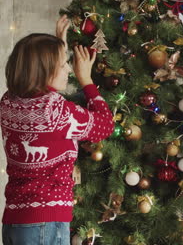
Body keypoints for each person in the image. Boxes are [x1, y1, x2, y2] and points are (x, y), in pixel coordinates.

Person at [0, 15, 114, 245]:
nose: (69, 71)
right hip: (46, 224)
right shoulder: (57, 111)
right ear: (46, 72)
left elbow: (41, 96)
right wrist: (87, 81)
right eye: (63, 65)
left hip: (13, 222)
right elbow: (104, 125)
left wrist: (57, 46)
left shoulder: (8, 102)